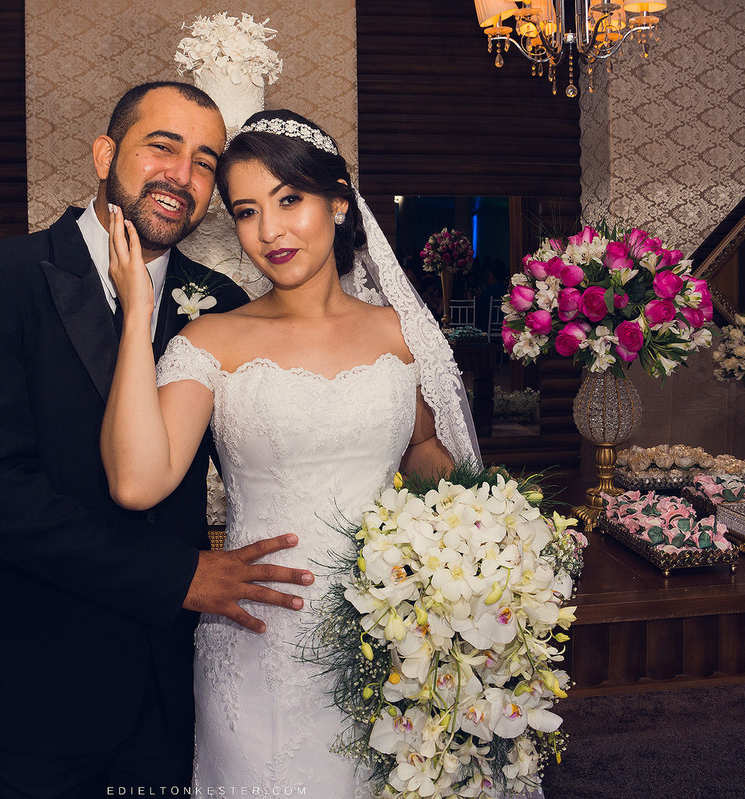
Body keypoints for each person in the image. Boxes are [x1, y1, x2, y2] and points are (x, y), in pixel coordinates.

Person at [0, 84, 315, 798]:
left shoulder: (222, 306)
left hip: (178, 688)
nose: (182, 175)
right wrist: (175, 576)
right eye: (162, 147)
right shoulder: (2, 279)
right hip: (44, 689)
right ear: (105, 154)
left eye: (205, 162)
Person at [101, 110, 481, 794]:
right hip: (261, 638)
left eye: (289, 200)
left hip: (395, 629)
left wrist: (490, 536)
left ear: (338, 202)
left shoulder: (402, 333)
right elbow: (136, 482)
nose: (269, 231)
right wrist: (137, 314)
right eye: (247, 212)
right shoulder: (211, 341)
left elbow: (425, 450)